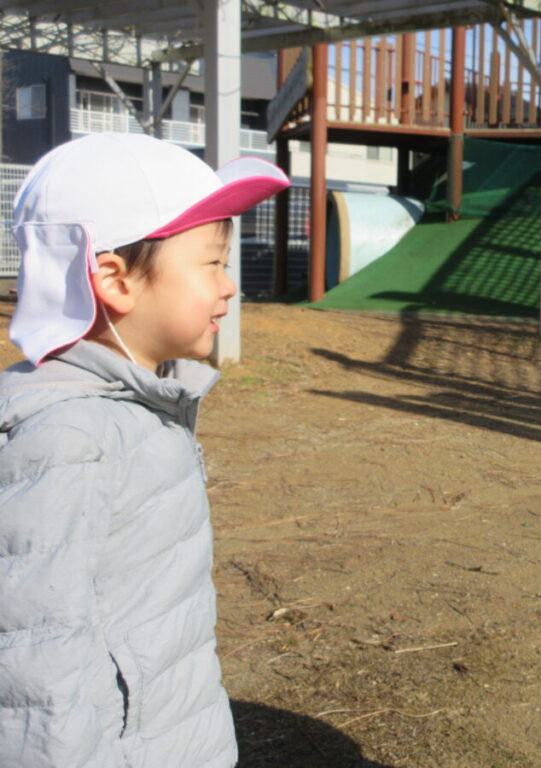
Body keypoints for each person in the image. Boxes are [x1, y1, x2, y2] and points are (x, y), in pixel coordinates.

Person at [0, 132, 289, 767]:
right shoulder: (71, 440)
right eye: (212, 263)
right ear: (115, 279)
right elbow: (35, 669)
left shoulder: (137, 409)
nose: (230, 286)